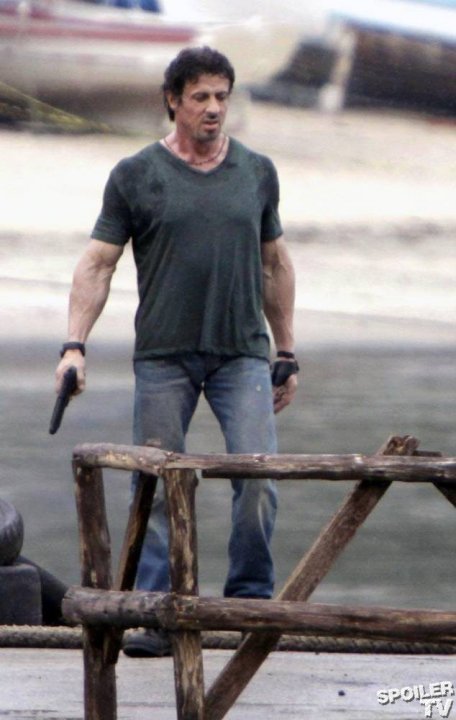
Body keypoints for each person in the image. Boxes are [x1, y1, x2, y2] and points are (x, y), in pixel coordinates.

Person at [55, 46, 299, 657]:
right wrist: (74, 346)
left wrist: (287, 351)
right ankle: (155, 614)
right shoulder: (136, 175)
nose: (214, 108)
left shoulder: (256, 172)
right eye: (201, 97)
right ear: (173, 100)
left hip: (241, 354)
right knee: (158, 486)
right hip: (164, 356)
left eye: (222, 97)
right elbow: (98, 264)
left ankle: (250, 604)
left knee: (259, 479)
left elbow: (274, 264)